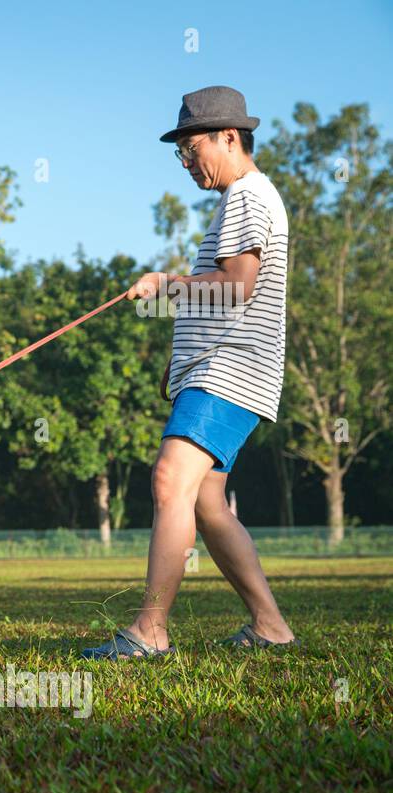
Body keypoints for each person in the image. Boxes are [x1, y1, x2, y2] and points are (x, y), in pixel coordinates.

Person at [83, 86, 298, 660]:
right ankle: (270, 625)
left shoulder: (247, 197)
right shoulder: (248, 198)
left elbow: (236, 287)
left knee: (168, 481)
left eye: (191, 146)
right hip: (221, 371)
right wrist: (181, 364)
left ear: (230, 137)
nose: (186, 161)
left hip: (230, 373)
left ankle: (150, 631)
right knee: (206, 504)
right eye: (178, 151)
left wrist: (163, 284)